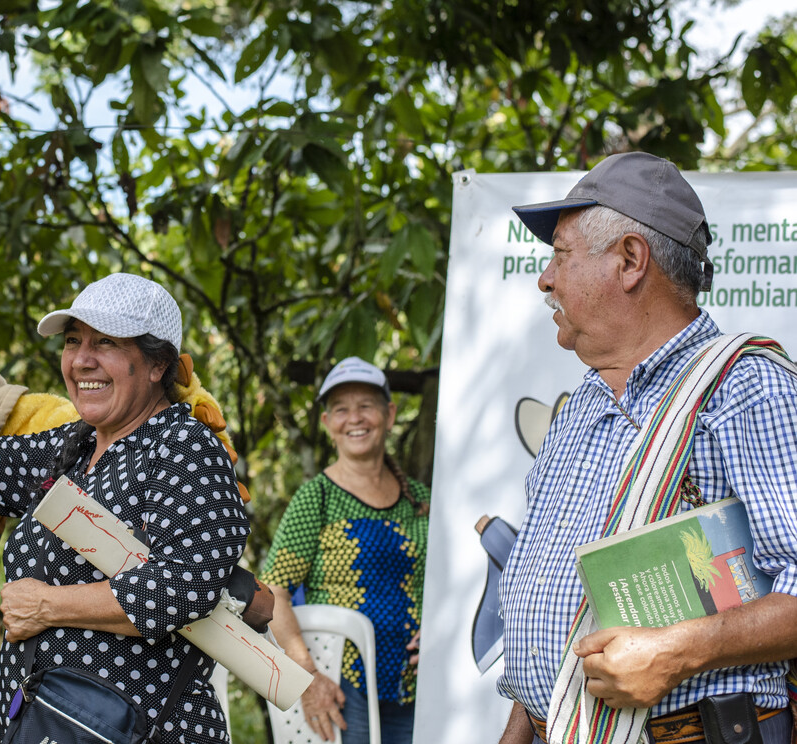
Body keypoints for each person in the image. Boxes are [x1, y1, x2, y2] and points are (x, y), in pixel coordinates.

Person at [0, 272, 250, 743]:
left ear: (157, 364)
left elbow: (184, 587)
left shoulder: (185, 444)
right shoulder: (76, 447)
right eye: (72, 341)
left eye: (105, 342)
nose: (82, 360)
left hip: (141, 729)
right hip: (54, 724)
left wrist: (47, 605)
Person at [497, 151, 797, 744]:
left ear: (631, 260)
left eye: (561, 254)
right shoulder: (582, 402)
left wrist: (676, 653)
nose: (545, 278)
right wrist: (521, 729)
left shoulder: (747, 387)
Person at [259, 357, 430, 744]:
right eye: (340, 409)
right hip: (341, 682)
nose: (355, 418)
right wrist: (307, 676)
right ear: (327, 425)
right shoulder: (316, 498)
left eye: (366, 406)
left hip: (417, 686)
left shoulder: (420, 500)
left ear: (389, 414)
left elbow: (447, 586)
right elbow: (274, 593)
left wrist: (436, 634)